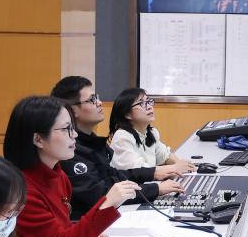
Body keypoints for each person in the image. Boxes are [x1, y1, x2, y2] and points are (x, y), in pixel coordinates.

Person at [4, 95, 139, 237]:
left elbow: (60, 228)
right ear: (38, 139)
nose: (74, 134)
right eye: (66, 129)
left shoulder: (58, 174)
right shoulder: (21, 191)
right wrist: (107, 204)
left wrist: (85, 234)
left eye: (73, 128)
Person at [51, 76, 189, 217]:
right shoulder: (69, 151)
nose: (99, 103)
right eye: (92, 100)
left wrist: (153, 174)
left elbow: (115, 176)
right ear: (72, 110)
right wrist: (155, 188)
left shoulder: (92, 143)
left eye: (97, 97)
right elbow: (102, 194)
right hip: (90, 222)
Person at [109, 88, 195, 172]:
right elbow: (139, 170)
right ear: (127, 114)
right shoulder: (122, 137)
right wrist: (175, 168)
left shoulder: (151, 133)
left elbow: (165, 156)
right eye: (141, 103)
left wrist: (179, 163)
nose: (149, 107)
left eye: (148, 101)